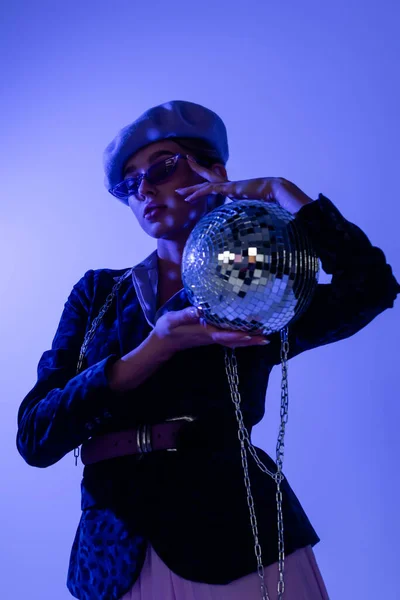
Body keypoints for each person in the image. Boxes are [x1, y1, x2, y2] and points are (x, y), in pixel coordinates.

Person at [16, 100, 400, 600]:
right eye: (130, 183)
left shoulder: (258, 289)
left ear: (212, 172)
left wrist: (281, 194)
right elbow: (35, 436)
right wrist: (155, 348)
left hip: (239, 541)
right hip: (113, 552)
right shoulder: (96, 295)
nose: (145, 189)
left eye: (162, 167)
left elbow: (370, 287)